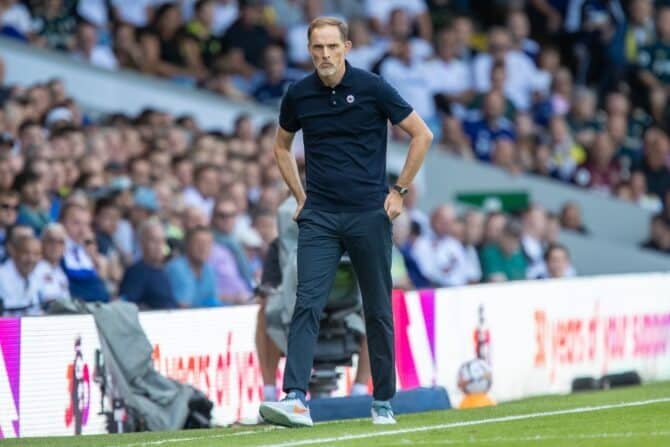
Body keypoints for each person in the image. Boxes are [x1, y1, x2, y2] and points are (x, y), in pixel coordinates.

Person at [259, 17, 433, 427]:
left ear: (347, 47)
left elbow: (421, 134)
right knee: (306, 302)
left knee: (377, 309)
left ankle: (383, 401)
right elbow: (281, 147)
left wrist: (399, 191)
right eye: (317, 48)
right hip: (320, 214)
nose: (324, 55)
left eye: (332, 47)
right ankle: (295, 397)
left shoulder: (372, 87)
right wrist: (299, 197)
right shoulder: (299, 94)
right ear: (309, 50)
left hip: (368, 214)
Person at [120, 219, 179, 310]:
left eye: (161, 241)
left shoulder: (163, 271)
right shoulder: (136, 272)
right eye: (153, 240)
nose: (159, 246)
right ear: (142, 243)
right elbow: (127, 306)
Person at [165, 226, 219, 308]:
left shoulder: (209, 269)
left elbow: (212, 300)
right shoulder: (176, 268)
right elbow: (183, 306)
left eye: (208, 243)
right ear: (187, 244)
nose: (203, 247)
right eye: (199, 243)